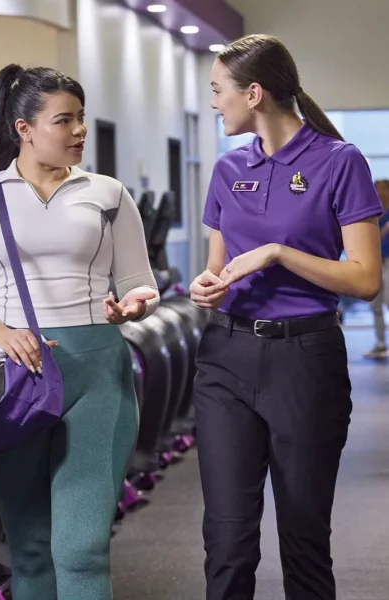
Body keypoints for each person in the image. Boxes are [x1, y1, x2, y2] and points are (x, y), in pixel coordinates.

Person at [0, 64, 159, 600]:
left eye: (81, 118)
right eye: (65, 120)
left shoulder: (107, 193)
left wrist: (134, 307)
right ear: (23, 128)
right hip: (14, 375)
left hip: (99, 371)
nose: (79, 130)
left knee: (82, 550)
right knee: (30, 548)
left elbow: (139, 283)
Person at [190, 34, 383, 600]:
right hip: (225, 360)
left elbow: (366, 279)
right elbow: (218, 274)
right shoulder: (228, 170)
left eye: (217, 90)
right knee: (226, 543)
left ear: (253, 94)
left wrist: (278, 252)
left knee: (303, 540)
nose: (213, 102)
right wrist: (208, 289)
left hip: (305, 360)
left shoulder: (339, 161)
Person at [364, 178, 389, 358]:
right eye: (376, 189)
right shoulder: (373, 215)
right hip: (376, 264)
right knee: (376, 306)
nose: (379, 193)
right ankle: (380, 344)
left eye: (382, 189)